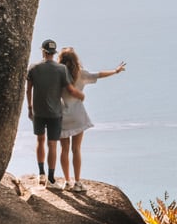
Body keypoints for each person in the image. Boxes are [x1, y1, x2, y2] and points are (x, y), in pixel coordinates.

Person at [56, 47, 126, 186]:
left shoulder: (57, 75)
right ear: (75, 60)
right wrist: (115, 71)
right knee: (76, 149)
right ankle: (77, 182)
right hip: (78, 116)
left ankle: (66, 181)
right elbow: (99, 74)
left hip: (61, 116)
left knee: (64, 150)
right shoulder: (81, 74)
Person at [25, 39, 69, 186]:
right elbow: (65, 91)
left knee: (40, 141)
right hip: (55, 113)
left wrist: (30, 108)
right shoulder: (61, 69)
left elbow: (28, 89)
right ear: (54, 53)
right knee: (53, 144)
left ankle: (41, 174)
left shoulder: (33, 68)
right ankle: (51, 178)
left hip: (38, 111)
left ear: (43, 51)